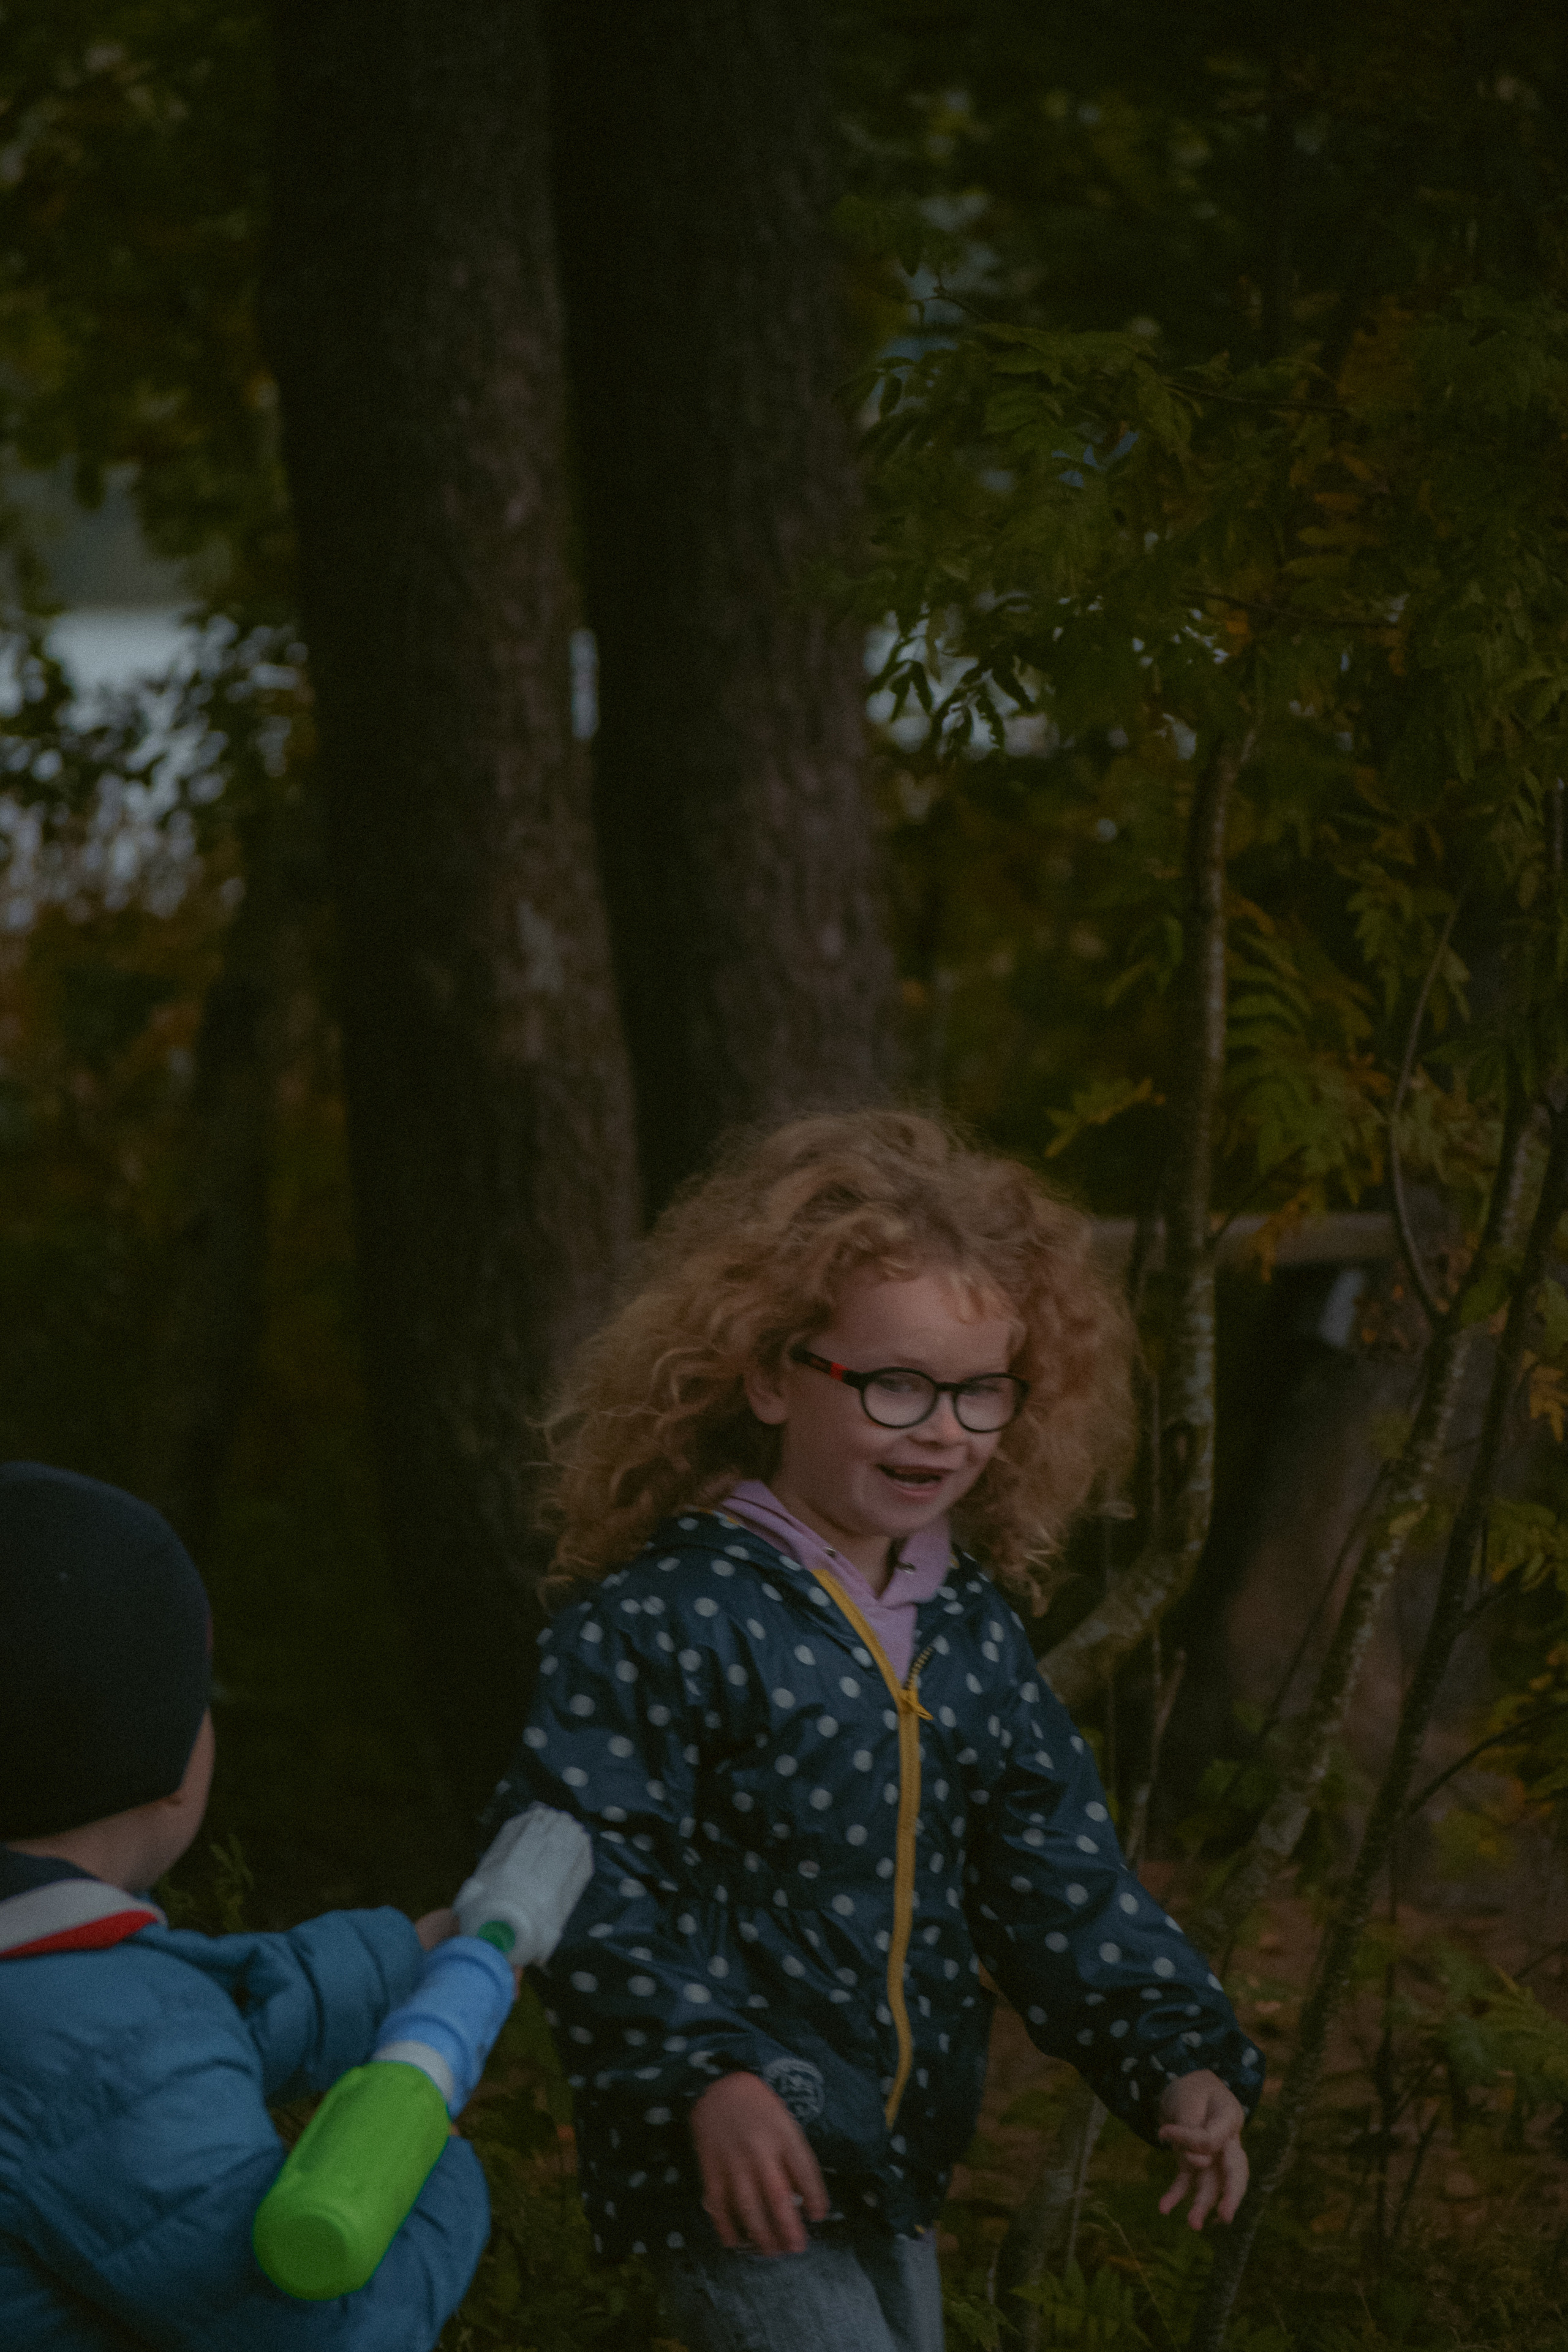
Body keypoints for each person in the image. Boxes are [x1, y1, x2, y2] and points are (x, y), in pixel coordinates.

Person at [484, 1110, 1264, 2352]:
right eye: (895, 1383)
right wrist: (708, 2078)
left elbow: (1051, 1876)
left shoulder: (966, 1630)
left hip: (895, 2161)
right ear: (768, 1374)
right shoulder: (668, 1617)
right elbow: (578, 1874)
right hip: (735, 2166)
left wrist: (1173, 2054)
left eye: (979, 1392)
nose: (941, 1427)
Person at [0, 1461, 522, 2350]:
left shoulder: (64, 1986)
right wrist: (424, 2123)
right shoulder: (112, 2051)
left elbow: (175, 2036)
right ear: (165, 1766)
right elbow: (331, 2327)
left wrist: (399, 1957)